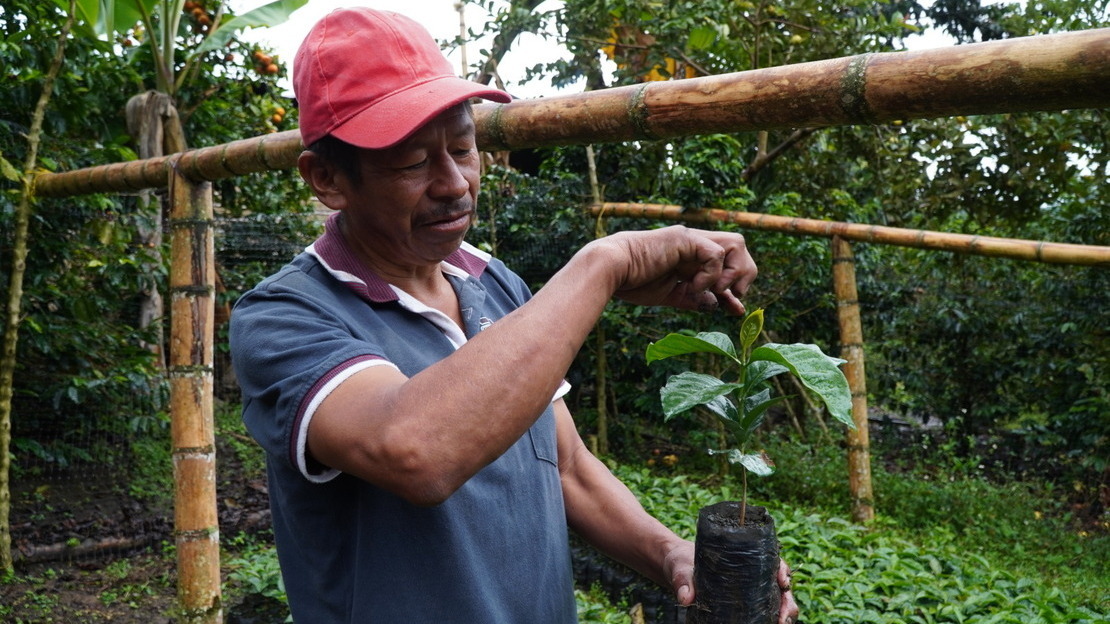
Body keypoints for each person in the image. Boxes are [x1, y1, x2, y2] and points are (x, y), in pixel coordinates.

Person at [229, 6, 799, 623]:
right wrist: (606, 263)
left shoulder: (493, 282)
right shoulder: (284, 317)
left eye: (463, 147)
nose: (454, 183)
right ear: (329, 178)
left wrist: (670, 556)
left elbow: (567, 469)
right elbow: (416, 452)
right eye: (413, 162)